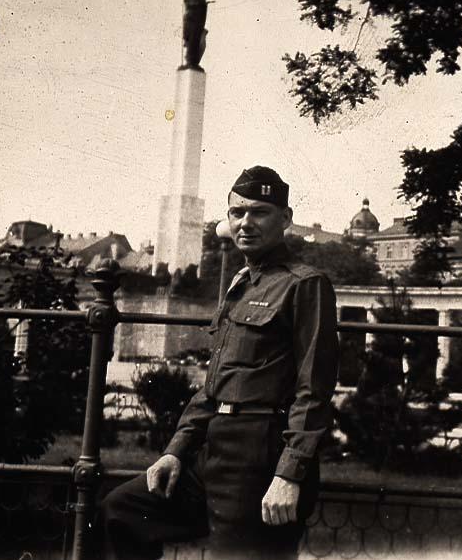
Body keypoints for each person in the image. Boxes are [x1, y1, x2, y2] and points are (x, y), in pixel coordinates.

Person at [96, 166, 340, 560]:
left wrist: (288, 474)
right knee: (120, 512)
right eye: (237, 213)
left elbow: (314, 389)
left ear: (286, 219)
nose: (246, 223)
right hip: (212, 449)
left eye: (259, 212)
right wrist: (176, 450)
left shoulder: (304, 285)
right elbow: (215, 383)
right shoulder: (241, 284)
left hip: (260, 453)